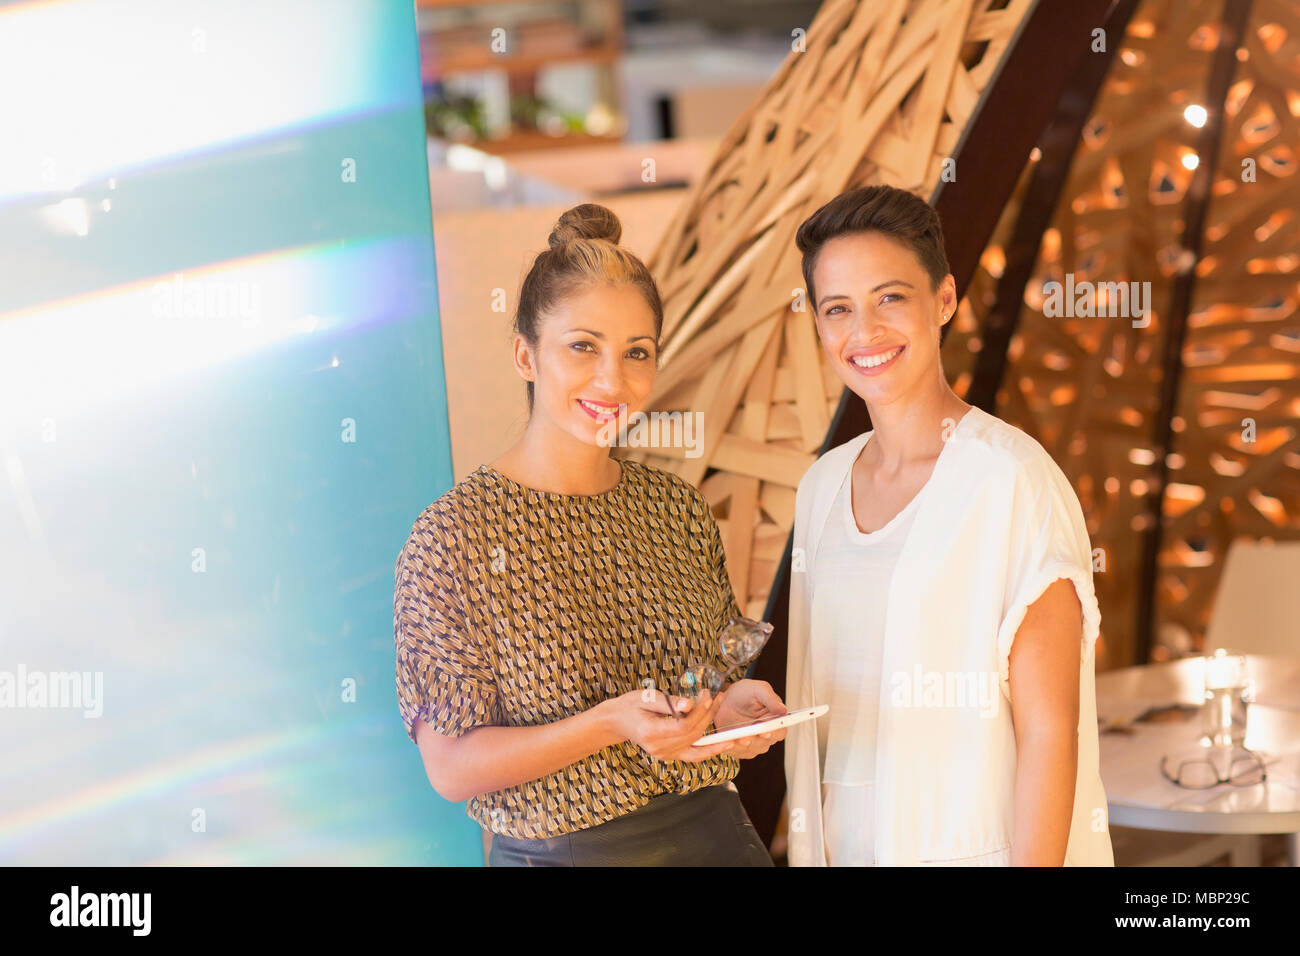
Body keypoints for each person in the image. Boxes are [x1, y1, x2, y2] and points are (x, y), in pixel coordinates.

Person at [395, 202, 787, 866]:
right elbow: (452, 767)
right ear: (525, 354)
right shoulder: (453, 538)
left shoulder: (675, 510)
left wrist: (727, 711)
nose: (614, 380)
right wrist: (608, 723)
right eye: (583, 346)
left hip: (716, 837)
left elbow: (702, 684)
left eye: (637, 352)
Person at [783, 184, 1115, 866]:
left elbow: (1051, 735)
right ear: (818, 325)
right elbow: (831, 715)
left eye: (890, 298)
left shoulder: (1011, 482)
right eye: (838, 308)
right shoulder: (820, 489)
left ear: (943, 300)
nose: (864, 332)